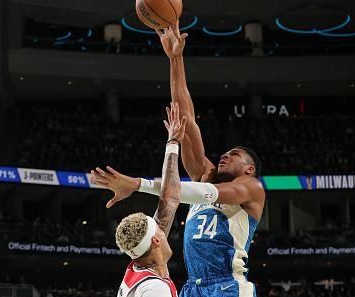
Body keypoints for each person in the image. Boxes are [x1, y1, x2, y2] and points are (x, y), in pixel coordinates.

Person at [92, 26, 266, 296]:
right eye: (225, 152)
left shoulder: (250, 188)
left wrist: (139, 184)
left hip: (227, 285)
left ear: (249, 168)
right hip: (193, 286)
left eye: (234, 155)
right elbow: (185, 117)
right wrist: (175, 59)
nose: (225, 155)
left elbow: (196, 193)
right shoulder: (204, 174)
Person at [95, 103, 186, 297]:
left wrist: (173, 144)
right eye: (159, 229)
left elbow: (169, 198)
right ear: (155, 240)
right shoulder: (155, 289)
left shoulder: (139, 268)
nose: (164, 227)